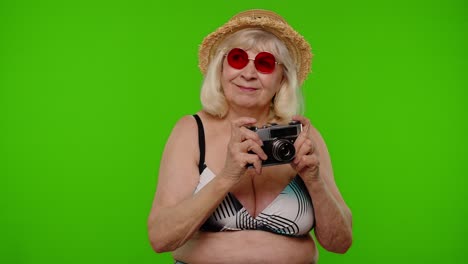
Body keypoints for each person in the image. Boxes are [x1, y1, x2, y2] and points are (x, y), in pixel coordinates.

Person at [147, 9, 352, 264]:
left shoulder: (302, 137)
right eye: (237, 58)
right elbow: (160, 238)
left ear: (282, 78)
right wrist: (227, 177)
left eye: (265, 63)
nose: (248, 73)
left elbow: (341, 242)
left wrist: (314, 181)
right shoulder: (191, 131)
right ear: (221, 68)